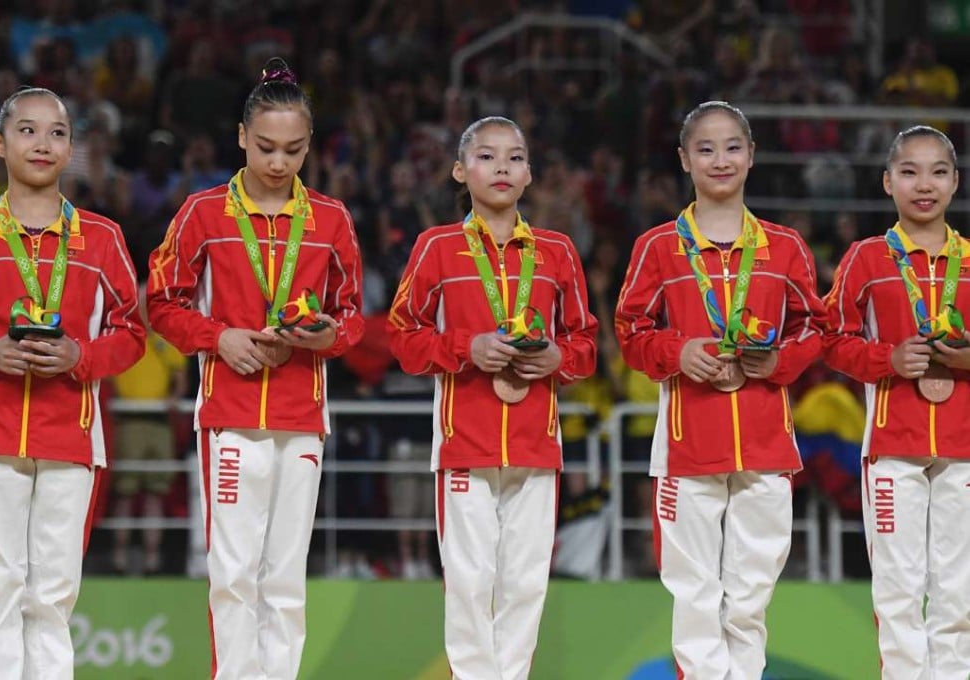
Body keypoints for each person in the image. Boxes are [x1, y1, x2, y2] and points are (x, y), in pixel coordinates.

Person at [146, 57, 364, 680]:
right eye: (265, 146)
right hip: (231, 415)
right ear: (241, 137)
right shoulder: (203, 212)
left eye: (294, 149)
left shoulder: (331, 219)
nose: (278, 162)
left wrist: (323, 337)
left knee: (286, 578)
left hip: (301, 416)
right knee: (234, 574)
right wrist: (221, 339)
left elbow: (353, 319)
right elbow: (161, 302)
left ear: (309, 146)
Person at [614, 101, 826, 679]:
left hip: (765, 442)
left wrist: (778, 360)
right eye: (705, 149)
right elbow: (630, 331)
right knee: (696, 597)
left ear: (751, 156)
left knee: (751, 599)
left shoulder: (785, 248)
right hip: (687, 446)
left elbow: (817, 326)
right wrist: (676, 353)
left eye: (732, 146)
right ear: (685, 160)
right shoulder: (657, 247)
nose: (720, 159)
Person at [387, 115, 598, 680]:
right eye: (486, 156)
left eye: (514, 157)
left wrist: (560, 358)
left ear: (529, 174)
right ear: (460, 171)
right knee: (470, 582)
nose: (501, 166)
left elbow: (586, 343)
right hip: (464, 442)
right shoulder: (436, 247)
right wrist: (465, 348)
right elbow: (402, 338)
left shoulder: (556, 252)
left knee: (526, 585)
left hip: (536, 444)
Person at [0, 86, 145, 679]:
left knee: (53, 595)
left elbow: (132, 333)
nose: (43, 143)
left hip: (71, 435)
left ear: (71, 149)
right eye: (28, 130)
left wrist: (79, 356)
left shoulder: (103, 238)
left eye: (57, 132)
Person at [823, 125, 970, 679]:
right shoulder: (865, 258)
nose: (923, 184)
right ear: (888, 182)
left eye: (937, 172)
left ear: (955, 183)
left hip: (965, 446)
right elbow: (830, 340)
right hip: (892, 446)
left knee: (959, 593)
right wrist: (887, 359)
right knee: (899, 592)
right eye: (909, 171)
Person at [110, 282, 189, 575]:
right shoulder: (123, 337)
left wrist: (173, 398)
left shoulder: (165, 341)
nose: (145, 307)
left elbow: (181, 378)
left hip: (158, 423)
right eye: (141, 301)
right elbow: (108, 375)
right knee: (126, 490)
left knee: (157, 490)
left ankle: (152, 558)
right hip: (128, 421)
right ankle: (119, 558)